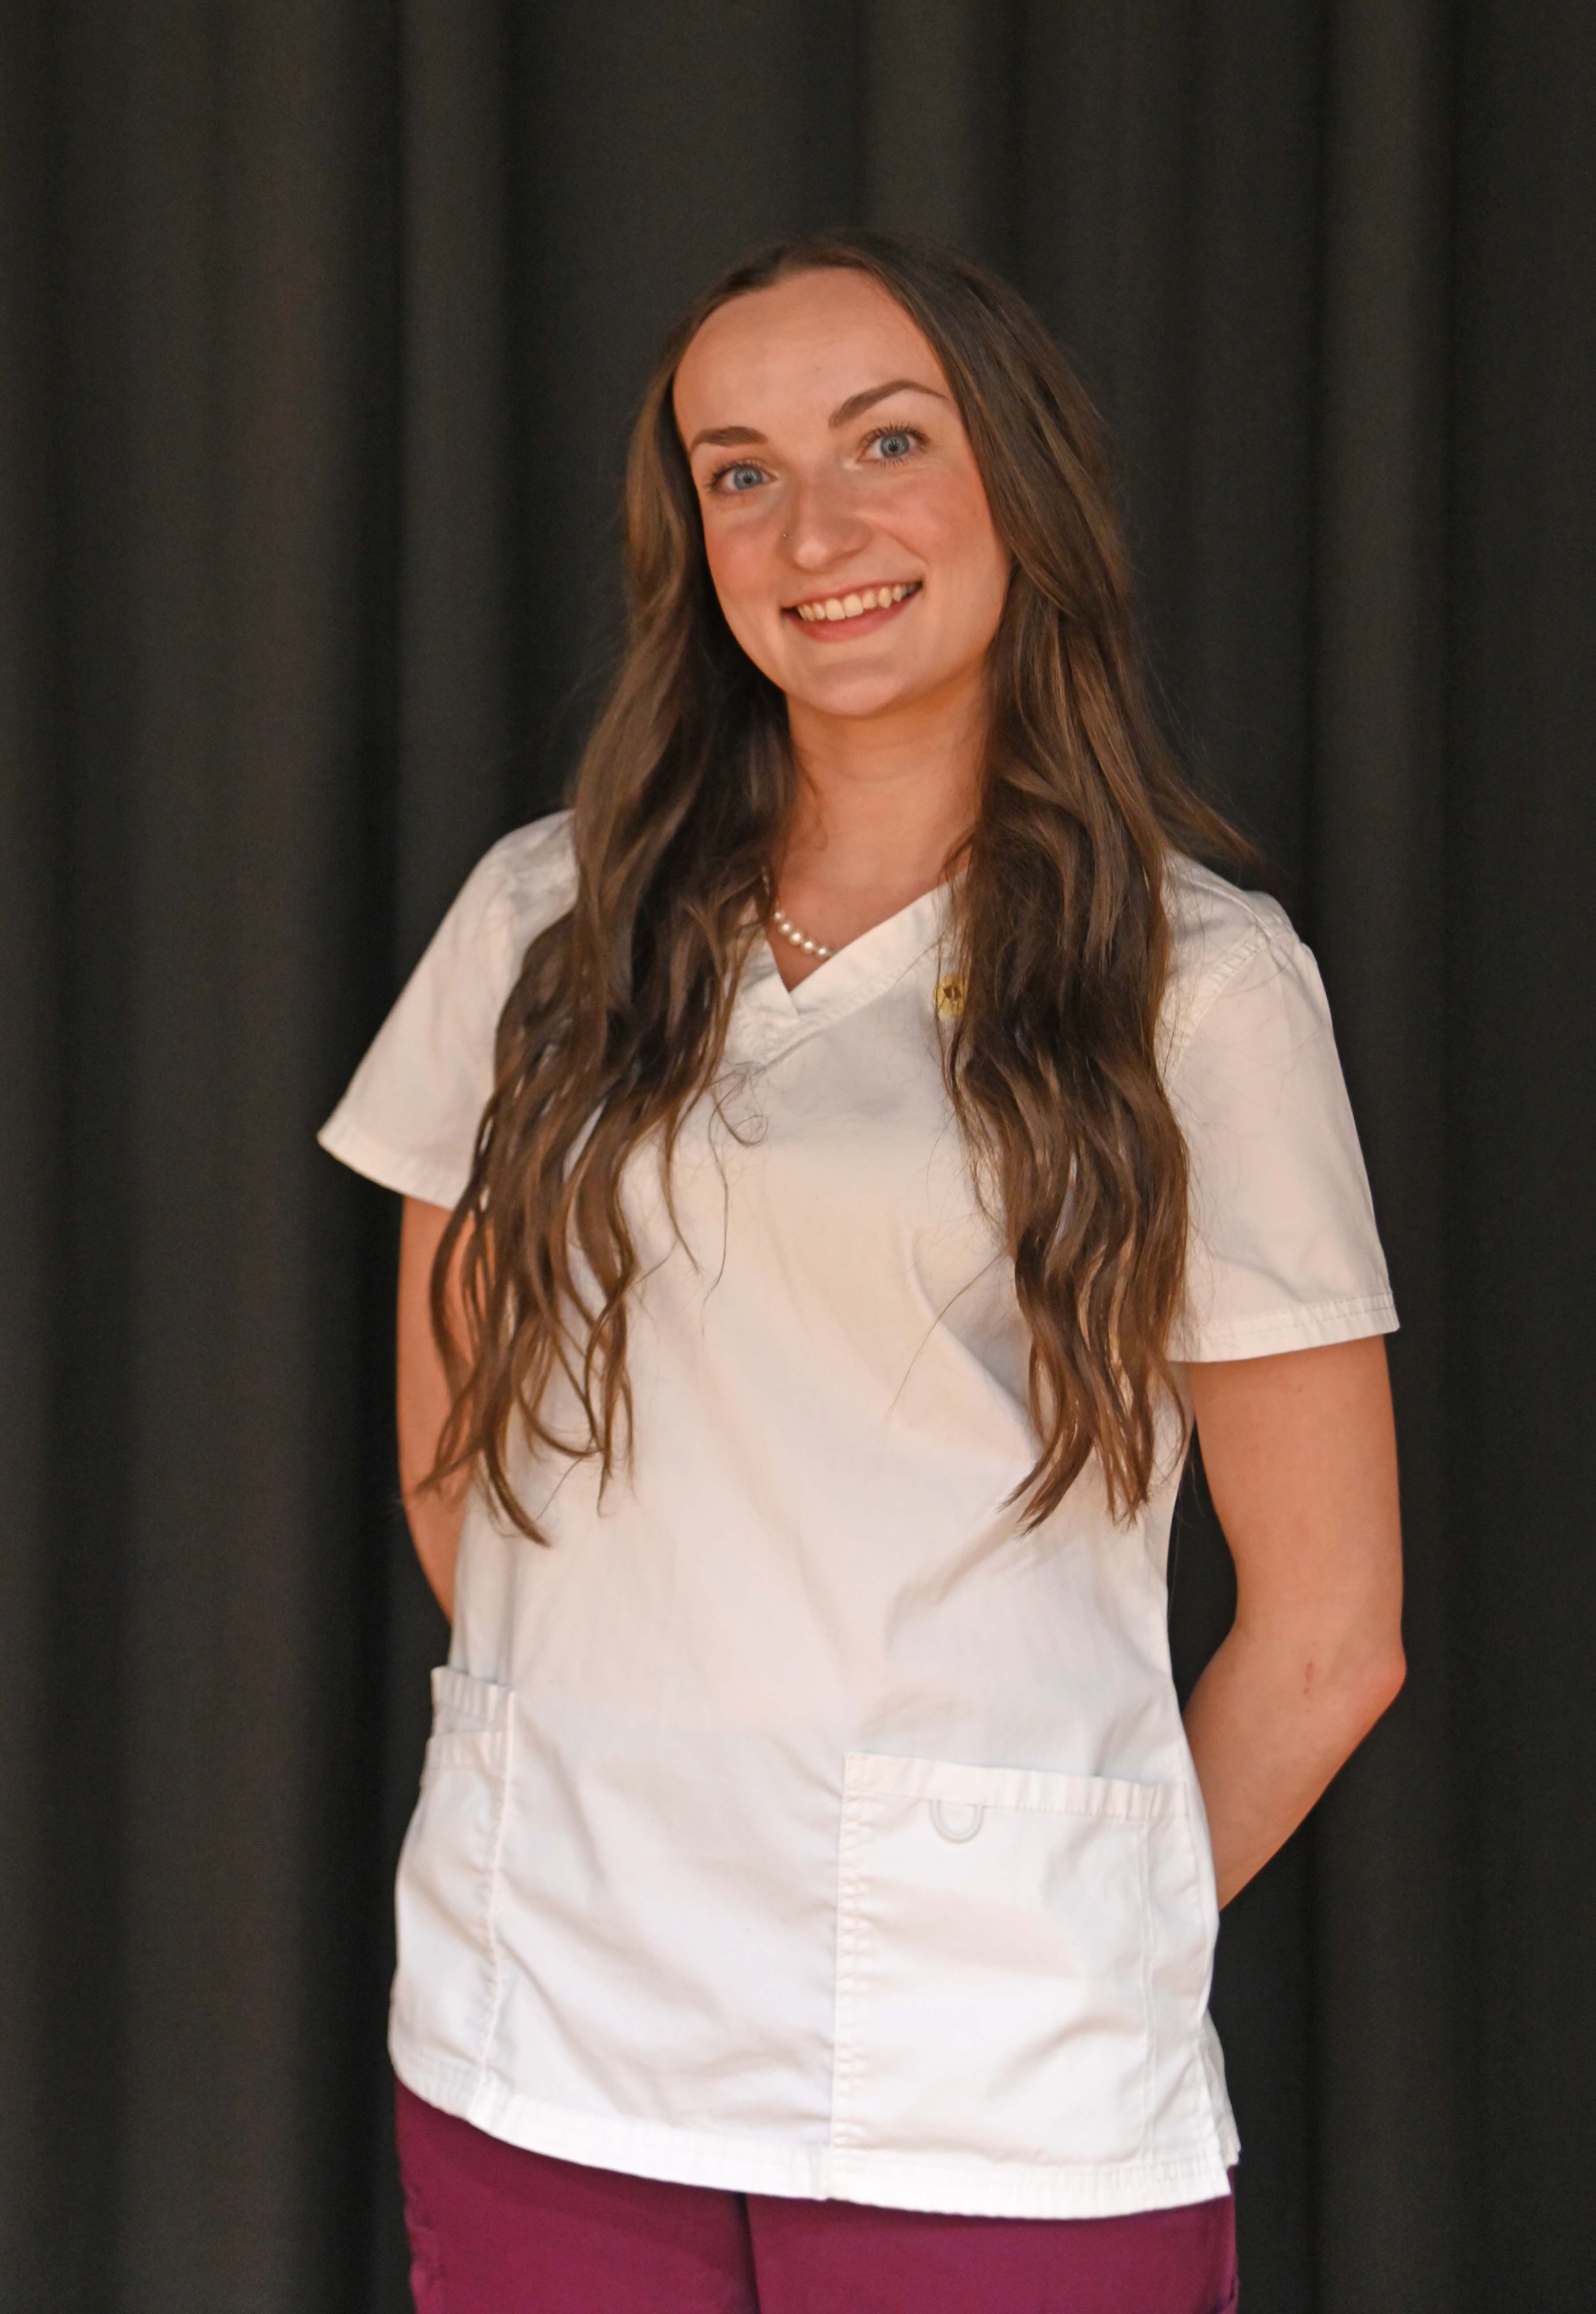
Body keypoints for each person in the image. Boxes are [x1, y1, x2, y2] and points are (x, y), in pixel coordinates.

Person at [318, 230, 1405, 2314]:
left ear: (1020, 480)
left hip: (988, 2070)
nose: (812, 528)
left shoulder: (1202, 991)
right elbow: (460, 1468)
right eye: (738, 471)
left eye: (883, 442)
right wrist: (655, 1759)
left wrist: (1067, 1912)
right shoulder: (540, 921)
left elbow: (1333, 1630)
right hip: (542, 2009)